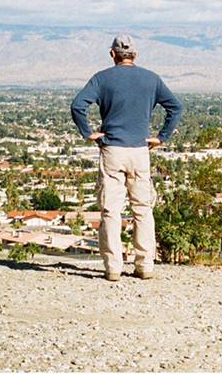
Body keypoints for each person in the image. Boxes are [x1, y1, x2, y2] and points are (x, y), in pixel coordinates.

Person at [69, 38, 182, 282]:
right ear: (135, 55)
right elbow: (176, 107)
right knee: (142, 209)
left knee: (111, 210)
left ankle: (113, 267)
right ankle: (145, 265)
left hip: (112, 150)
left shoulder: (102, 78)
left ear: (113, 54)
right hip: (140, 151)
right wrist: (161, 137)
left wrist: (88, 133)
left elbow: (78, 105)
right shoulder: (151, 79)